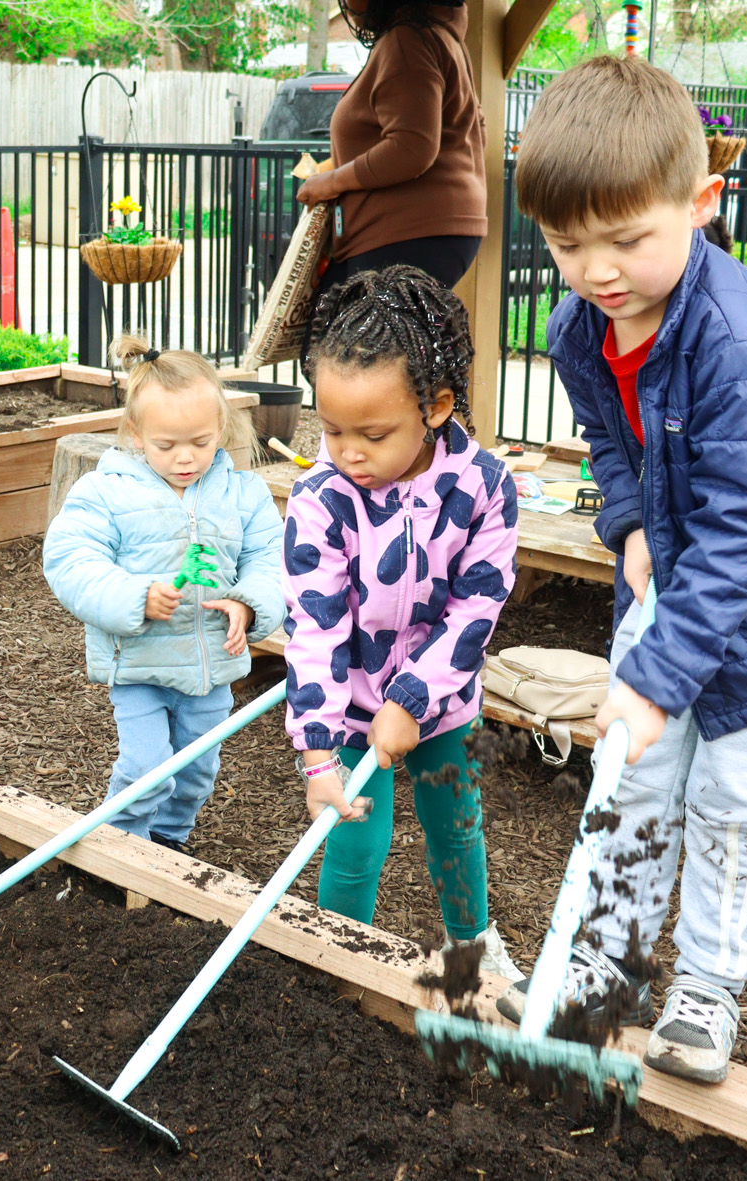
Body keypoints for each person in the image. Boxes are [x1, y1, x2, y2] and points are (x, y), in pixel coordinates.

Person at [496, 54, 747, 1084]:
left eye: (626, 238)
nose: (595, 270)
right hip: (688, 567)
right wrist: (630, 523)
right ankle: (606, 968)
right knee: (630, 777)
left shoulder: (741, 348)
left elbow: (744, 537)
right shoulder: (577, 329)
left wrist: (647, 682)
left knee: (731, 800)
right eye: (564, 243)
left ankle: (706, 988)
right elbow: (606, 440)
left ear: (702, 203)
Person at [281, 265, 523, 980]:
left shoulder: (484, 488)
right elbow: (315, 629)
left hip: (442, 701)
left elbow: (478, 606)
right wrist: (320, 754)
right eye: (331, 429)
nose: (347, 451)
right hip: (353, 708)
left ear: (437, 406)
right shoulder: (320, 499)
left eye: (373, 433)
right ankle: (338, 962)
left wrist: (413, 698)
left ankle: (472, 947)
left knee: (456, 825)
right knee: (356, 842)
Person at [41, 335, 285, 852]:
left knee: (197, 772)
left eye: (199, 442)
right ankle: (124, 844)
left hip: (211, 668)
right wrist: (135, 597)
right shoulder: (106, 492)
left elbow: (270, 561)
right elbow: (70, 561)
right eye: (166, 445)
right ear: (135, 434)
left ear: (220, 427)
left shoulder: (244, 494)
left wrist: (249, 603)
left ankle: (169, 841)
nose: (184, 459)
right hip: (140, 666)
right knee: (146, 767)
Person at [295, 0, 488, 304]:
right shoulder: (439, 35)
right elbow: (472, 127)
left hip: (404, 233)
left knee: (339, 356)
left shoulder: (407, 40)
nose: (346, 2)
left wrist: (330, 183)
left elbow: (412, 147)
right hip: (432, 231)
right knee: (367, 356)